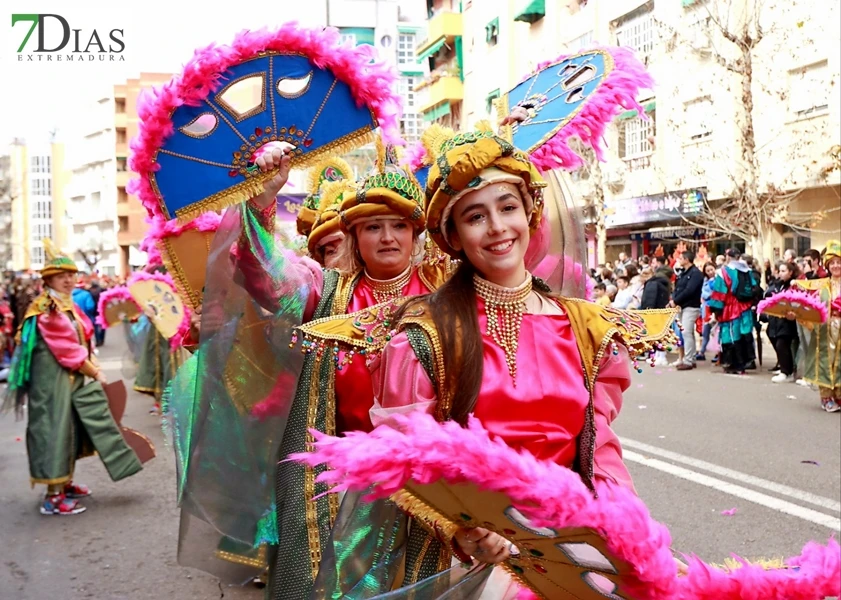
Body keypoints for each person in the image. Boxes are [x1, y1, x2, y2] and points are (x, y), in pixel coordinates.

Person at [293, 124, 678, 596]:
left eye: (508, 207)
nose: (497, 228)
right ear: (452, 235)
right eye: (476, 216)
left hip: (569, 559)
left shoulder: (587, 328)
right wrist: (460, 530)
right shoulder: (423, 335)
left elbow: (600, 454)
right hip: (467, 568)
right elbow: (409, 464)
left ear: (530, 213)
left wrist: (628, 538)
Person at [2, 239, 143, 515]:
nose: (68, 280)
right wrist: (95, 371)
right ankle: (52, 497)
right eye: (61, 276)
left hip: (69, 380)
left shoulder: (64, 303)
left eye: (71, 275)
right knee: (54, 432)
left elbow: (82, 337)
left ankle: (64, 483)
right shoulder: (47, 310)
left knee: (72, 430)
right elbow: (65, 347)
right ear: (49, 280)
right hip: (53, 385)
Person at [792, 240, 841, 411]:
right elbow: (808, 306)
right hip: (825, 329)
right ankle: (826, 397)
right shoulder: (821, 286)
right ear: (828, 265)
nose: (836, 266)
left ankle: (839, 395)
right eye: (832, 263)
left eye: (839, 262)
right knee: (825, 361)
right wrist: (795, 314)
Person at [708, 248, 760, 375]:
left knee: (730, 334)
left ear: (727, 257)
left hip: (730, 307)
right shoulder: (747, 270)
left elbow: (719, 292)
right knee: (744, 334)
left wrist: (715, 310)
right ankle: (744, 363)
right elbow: (755, 288)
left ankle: (732, 364)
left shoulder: (724, 272)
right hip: (745, 307)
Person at [761, 261, 800, 383]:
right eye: (780, 271)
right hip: (776, 319)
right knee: (776, 340)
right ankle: (785, 367)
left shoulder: (794, 284)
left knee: (782, 344)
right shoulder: (778, 284)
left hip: (788, 320)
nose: (781, 274)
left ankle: (786, 371)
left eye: (784, 271)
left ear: (791, 272)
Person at [671, 250, 704, 370]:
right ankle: (691, 357)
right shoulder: (682, 273)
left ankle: (688, 360)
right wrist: (674, 299)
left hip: (691, 306)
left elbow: (689, 290)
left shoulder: (696, 273)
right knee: (685, 332)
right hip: (681, 306)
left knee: (686, 331)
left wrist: (676, 300)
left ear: (687, 259)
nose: (678, 260)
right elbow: (678, 288)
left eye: (680, 258)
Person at [697, 261, 718, 361]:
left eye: (711, 269)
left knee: (715, 331)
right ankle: (702, 351)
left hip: (714, 308)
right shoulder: (705, 281)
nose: (710, 272)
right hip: (705, 308)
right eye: (707, 271)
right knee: (705, 331)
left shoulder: (718, 280)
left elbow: (712, 294)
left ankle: (718, 353)